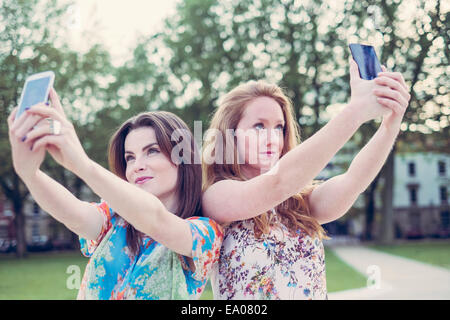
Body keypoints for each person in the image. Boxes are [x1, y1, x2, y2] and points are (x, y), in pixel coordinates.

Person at [201, 60, 410, 299]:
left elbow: (353, 181)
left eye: (279, 127)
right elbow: (277, 183)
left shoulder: (299, 203)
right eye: (259, 126)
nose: (272, 138)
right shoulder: (217, 196)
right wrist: (357, 110)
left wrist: (391, 123)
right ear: (231, 135)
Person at [7, 88, 223, 299]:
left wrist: (82, 165)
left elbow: (155, 219)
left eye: (152, 151)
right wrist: (29, 173)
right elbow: (73, 215)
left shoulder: (206, 234)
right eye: (130, 157)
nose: (137, 166)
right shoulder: (114, 218)